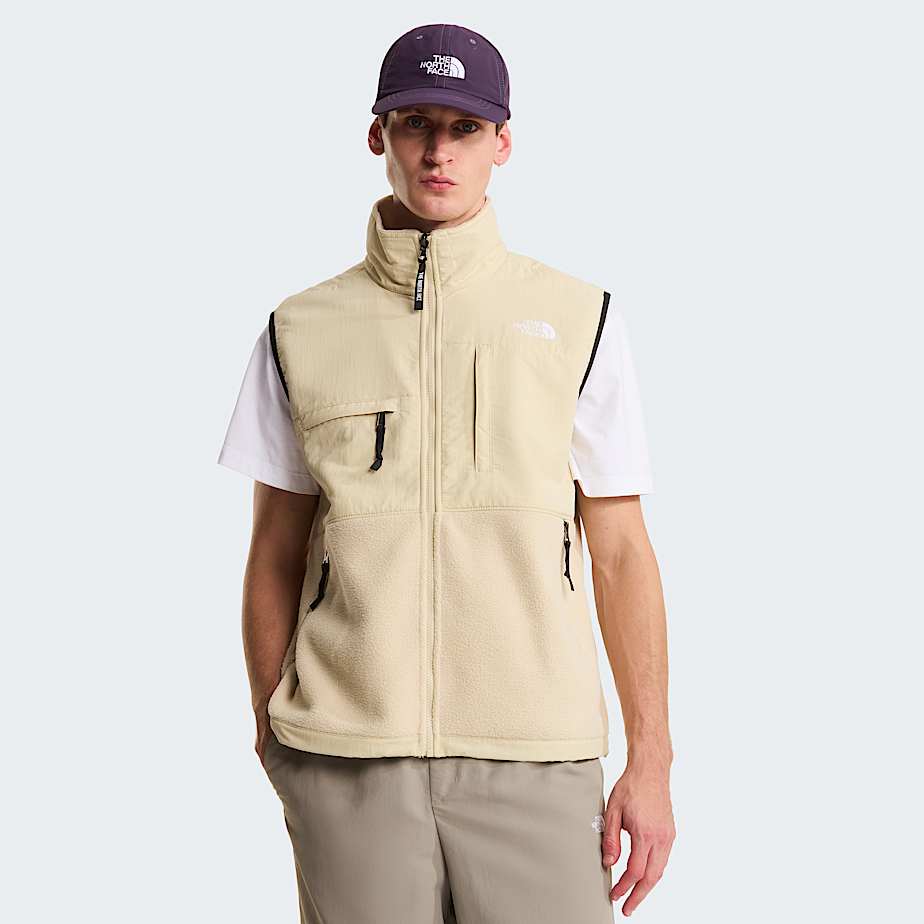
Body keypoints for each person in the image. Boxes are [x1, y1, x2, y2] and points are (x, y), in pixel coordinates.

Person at [218, 22, 675, 923]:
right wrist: (277, 736)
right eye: (416, 123)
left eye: (464, 127)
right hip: (348, 759)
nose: (439, 151)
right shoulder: (298, 329)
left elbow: (622, 551)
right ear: (377, 134)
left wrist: (651, 760)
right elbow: (273, 548)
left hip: (537, 755)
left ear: (502, 143)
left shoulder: (579, 318)